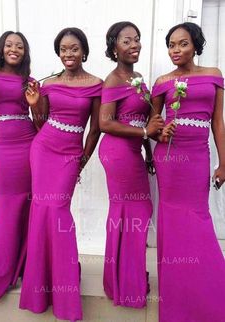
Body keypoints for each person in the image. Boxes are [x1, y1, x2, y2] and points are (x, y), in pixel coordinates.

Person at [19, 27, 102, 321]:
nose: (69, 54)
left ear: (84, 51)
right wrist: (33, 105)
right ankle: (40, 289)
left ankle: (64, 289)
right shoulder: (50, 83)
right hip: (43, 150)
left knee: (57, 212)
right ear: (58, 53)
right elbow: (41, 123)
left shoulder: (96, 84)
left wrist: (83, 160)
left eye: (74, 48)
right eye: (64, 49)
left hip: (69, 154)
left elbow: (95, 129)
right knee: (42, 212)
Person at [151, 22, 225, 322]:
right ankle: (178, 297)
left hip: (197, 156)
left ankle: (207, 292)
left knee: (197, 218)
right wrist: (160, 132)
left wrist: (224, 162)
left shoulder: (214, 75)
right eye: (171, 45)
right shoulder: (162, 81)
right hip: (169, 159)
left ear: (195, 45)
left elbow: (217, 121)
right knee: (173, 220)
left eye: (182, 44)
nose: (175, 50)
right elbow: (153, 123)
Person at [99, 21, 164, 308]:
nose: (134, 44)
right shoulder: (113, 79)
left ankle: (126, 277)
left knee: (135, 212)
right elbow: (104, 122)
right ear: (114, 47)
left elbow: (144, 120)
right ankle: (124, 282)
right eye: (126, 41)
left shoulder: (137, 76)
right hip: (117, 153)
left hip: (133, 152)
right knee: (131, 211)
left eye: (136, 39)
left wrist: (148, 153)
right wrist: (143, 134)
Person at [0, 31, 37, 300]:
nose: (14, 49)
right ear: (1, 48)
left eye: (19, 46)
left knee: (27, 201)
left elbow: (39, 117)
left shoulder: (28, 81)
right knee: (5, 201)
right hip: (0, 144)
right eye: (9, 45)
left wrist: (35, 101)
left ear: (24, 52)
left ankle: (24, 266)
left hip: (27, 142)